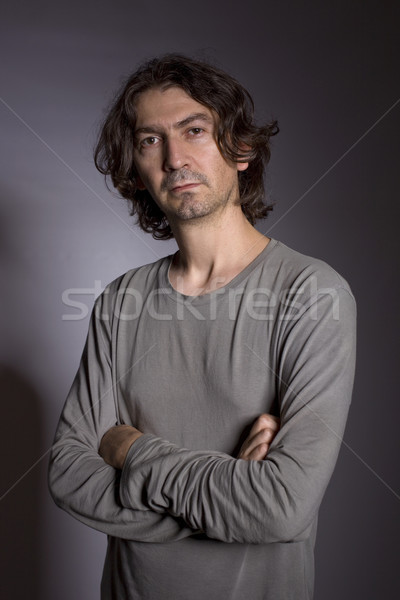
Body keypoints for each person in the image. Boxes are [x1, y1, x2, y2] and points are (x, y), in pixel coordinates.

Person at [48, 54, 357, 600]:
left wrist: (132, 452)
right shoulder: (120, 302)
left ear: (240, 148)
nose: (174, 158)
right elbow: (69, 475)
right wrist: (228, 504)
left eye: (194, 130)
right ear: (135, 169)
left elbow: (281, 508)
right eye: (150, 141)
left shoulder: (311, 293)